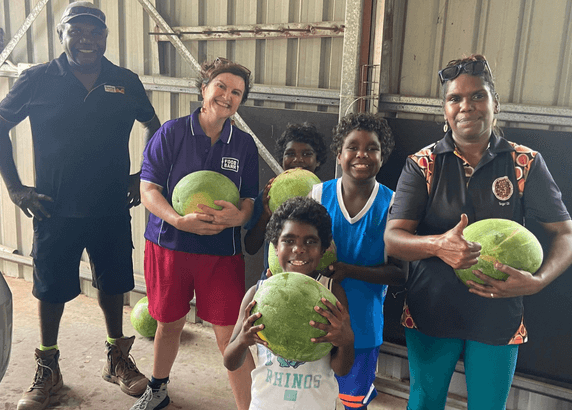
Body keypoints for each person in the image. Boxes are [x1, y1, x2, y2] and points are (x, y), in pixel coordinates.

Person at [384, 54, 572, 410]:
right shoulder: (422, 164)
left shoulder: (525, 163)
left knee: (489, 405)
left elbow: (566, 234)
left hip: (498, 314)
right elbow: (394, 239)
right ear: (444, 110)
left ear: (495, 104)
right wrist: (439, 245)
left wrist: (539, 280)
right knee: (424, 401)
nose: (466, 106)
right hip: (431, 310)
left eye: (477, 96)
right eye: (455, 98)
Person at [0, 2, 161, 409]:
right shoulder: (37, 80)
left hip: (110, 207)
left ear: (105, 36)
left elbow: (154, 127)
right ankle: (48, 369)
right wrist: (16, 188)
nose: (87, 39)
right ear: (62, 36)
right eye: (77, 31)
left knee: (115, 284)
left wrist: (143, 174)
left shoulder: (125, 81)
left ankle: (117, 358)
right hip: (54, 209)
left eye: (95, 32)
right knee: (50, 290)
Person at [132, 57, 258, 410]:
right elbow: (149, 190)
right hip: (169, 246)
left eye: (237, 92)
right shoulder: (171, 132)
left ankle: (250, 406)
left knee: (228, 336)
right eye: (221, 86)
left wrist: (239, 217)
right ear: (204, 89)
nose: (227, 96)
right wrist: (176, 219)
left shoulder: (243, 145)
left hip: (221, 254)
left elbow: (250, 200)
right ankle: (157, 390)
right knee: (169, 323)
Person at [310, 113, 407, 410]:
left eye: (372, 148)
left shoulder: (392, 204)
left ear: (383, 156)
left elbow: (399, 274)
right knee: (315, 399)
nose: (362, 154)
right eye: (353, 146)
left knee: (352, 402)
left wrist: (348, 270)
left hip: (363, 328)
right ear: (339, 154)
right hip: (315, 322)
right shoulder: (317, 194)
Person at [224, 196, 355, 409]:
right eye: (289, 240)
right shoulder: (257, 294)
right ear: (275, 246)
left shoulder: (332, 293)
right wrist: (242, 341)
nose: (299, 249)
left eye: (310, 241)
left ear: (323, 249)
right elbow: (230, 361)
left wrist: (346, 340)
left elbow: (341, 369)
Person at [243, 122, 328, 279]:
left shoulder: (328, 195)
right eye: (290, 154)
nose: (298, 159)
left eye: (307, 154)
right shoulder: (269, 195)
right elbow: (251, 247)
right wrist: (265, 217)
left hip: (315, 282)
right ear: (281, 159)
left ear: (318, 161)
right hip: (273, 280)